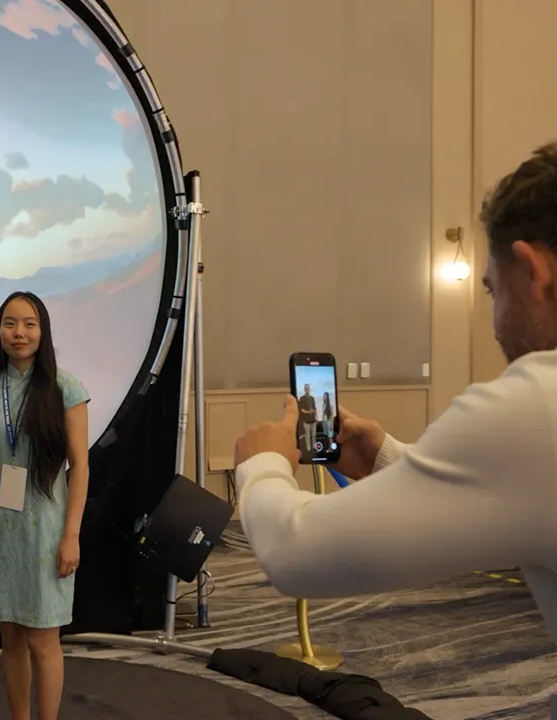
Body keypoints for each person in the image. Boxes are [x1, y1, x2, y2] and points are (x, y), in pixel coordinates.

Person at [231, 143, 557, 652]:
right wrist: (390, 459)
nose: (494, 325)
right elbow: (525, 503)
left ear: (534, 272)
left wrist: (263, 462)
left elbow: (296, 553)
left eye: (493, 292)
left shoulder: (538, 404)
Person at [0, 291, 91, 720]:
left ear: (43, 330)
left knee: (42, 638)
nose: (19, 333)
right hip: (0, 527)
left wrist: (71, 535)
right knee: (11, 636)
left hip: (48, 528)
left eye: (30, 323)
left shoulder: (65, 387)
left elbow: (81, 467)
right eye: (10, 323)